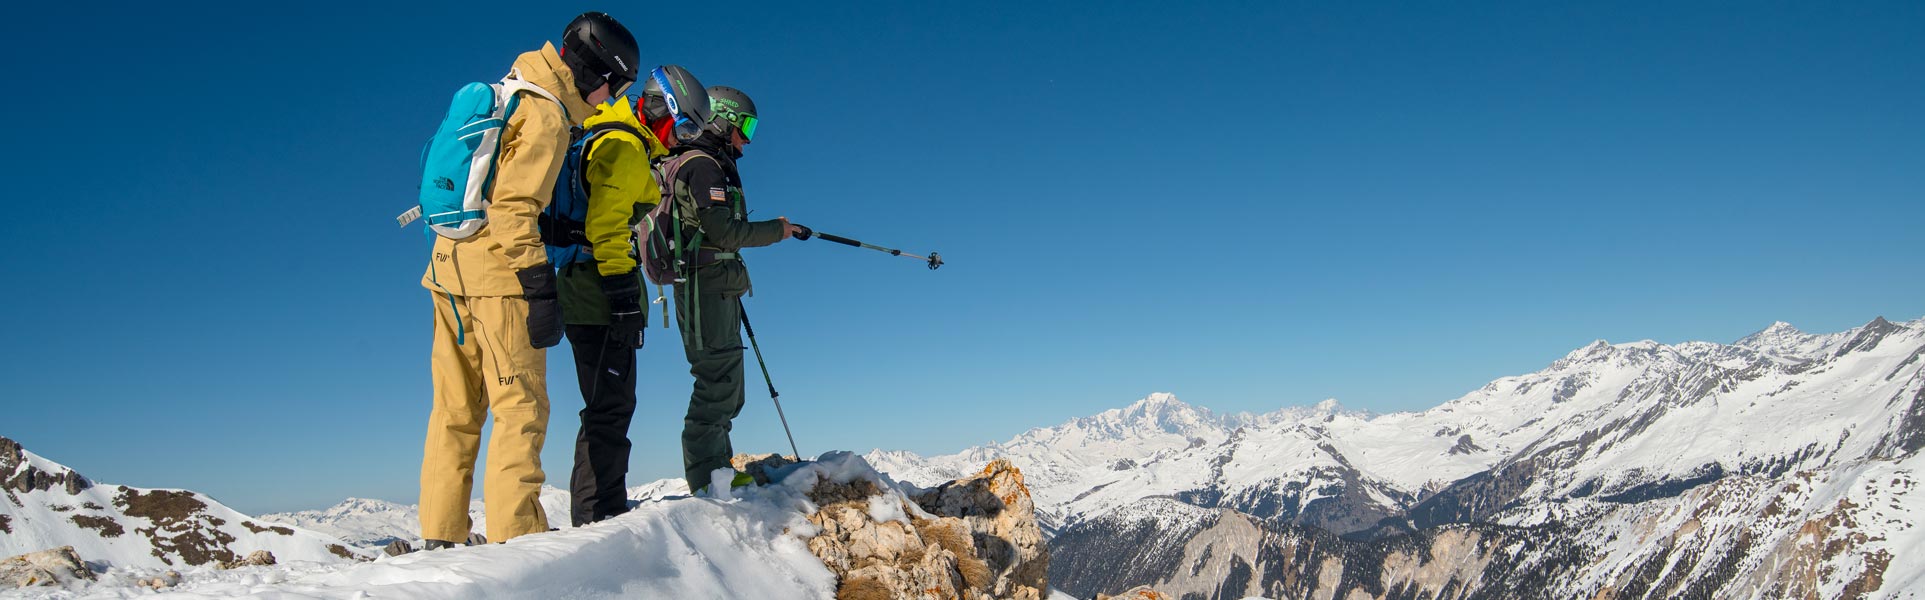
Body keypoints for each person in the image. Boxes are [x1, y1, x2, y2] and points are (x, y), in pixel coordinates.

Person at [418, 12, 639, 548]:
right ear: (597, 73)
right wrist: (539, 285)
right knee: (521, 407)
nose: (612, 97)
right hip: (499, 277)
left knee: (455, 409)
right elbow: (514, 211)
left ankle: (441, 534)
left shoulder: (511, 88)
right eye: (618, 84)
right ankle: (516, 543)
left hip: (447, 268)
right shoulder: (544, 114)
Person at [553, 66, 712, 526]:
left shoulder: (613, 134)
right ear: (660, 107)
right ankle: (598, 514)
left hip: (585, 284)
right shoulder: (623, 146)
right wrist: (624, 296)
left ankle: (599, 507)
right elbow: (605, 227)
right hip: (597, 290)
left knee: (606, 403)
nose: (681, 139)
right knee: (610, 405)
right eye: (682, 126)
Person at [665, 84, 803, 494]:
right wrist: (778, 231)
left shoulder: (712, 164)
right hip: (705, 287)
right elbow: (723, 231)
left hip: (715, 286)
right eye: (745, 126)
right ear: (723, 120)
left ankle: (717, 471)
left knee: (728, 385)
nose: (747, 138)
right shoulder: (704, 166)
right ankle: (708, 481)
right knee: (716, 381)